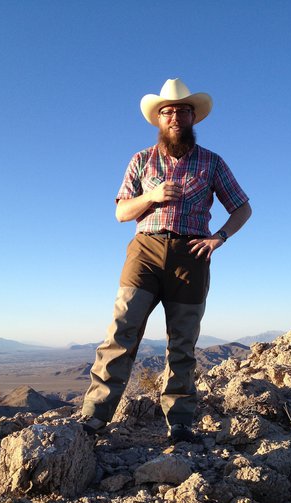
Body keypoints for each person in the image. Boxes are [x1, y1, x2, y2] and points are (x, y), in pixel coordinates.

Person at [81, 78, 252, 443]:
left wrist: (218, 237)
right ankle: (95, 416)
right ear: (159, 118)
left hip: (191, 254)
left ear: (194, 117)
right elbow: (121, 213)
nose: (175, 116)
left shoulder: (212, 162)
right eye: (168, 111)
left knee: (183, 341)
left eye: (183, 110)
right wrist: (153, 196)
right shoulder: (141, 159)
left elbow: (242, 208)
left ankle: (181, 422)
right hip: (145, 249)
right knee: (121, 331)